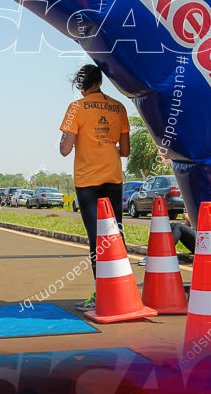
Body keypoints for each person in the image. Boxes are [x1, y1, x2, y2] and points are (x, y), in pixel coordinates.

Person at [59, 63, 130, 310]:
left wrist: (80, 138)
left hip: (87, 180)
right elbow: (126, 150)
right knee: (115, 234)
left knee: (96, 239)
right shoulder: (118, 107)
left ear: (80, 86)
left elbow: (65, 150)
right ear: (100, 82)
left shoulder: (75, 108)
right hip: (113, 176)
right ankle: (123, 292)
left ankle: (102, 295)